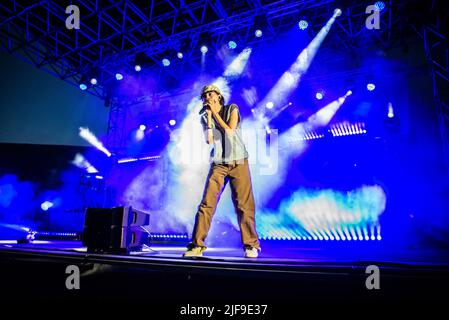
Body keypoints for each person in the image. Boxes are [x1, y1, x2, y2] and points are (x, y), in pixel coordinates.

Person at [183, 84, 261, 258]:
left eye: (211, 94)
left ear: (218, 96)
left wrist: (215, 114)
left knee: (243, 205)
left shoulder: (232, 109)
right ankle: (196, 245)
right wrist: (209, 119)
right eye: (205, 96)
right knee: (207, 204)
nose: (208, 97)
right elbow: (210, 141)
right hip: (219, 163)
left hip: (239, 160)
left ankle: (251, 245)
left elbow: (230, 132)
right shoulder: (205, 117)